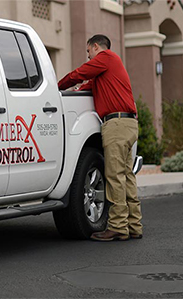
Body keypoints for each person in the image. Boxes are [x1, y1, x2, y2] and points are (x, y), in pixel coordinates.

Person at [58, 34, 143, 242]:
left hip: (116, 124)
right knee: (126, 177)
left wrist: (57, 86)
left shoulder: (107, 57)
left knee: (114, 176)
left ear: (96, 47)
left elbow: (79, 74)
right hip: (129, 124)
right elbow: (84, 87)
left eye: (89, 52)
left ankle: (117, 227)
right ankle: (134, 225)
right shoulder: (105, 75)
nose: (89, 58)